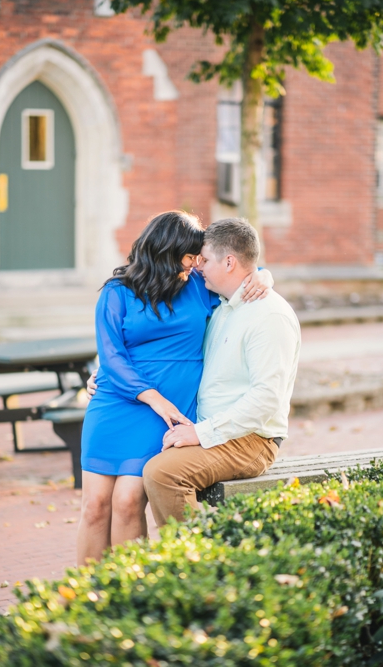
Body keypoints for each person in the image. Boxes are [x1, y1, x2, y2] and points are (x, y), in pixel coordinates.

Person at [77, 211, 272, 564]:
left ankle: (129, 598)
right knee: (94, 507)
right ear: (165, 250)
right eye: (189, 255)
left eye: (199, 257)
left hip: (171, 411)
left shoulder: (199, 287)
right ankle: (87, 600)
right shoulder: (115, 293)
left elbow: (239, 277)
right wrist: (154, 399)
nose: (195, 263)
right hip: (120, 401)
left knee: (126, 502)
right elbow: (112, 356)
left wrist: (264, 276)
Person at [142, 218, 300, 527]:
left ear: (229, 262)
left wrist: (200, 433)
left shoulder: (269, 316)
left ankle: (198, 565)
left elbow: (266, 398)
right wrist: (104, 373)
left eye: (204, 259)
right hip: (216, 429)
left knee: (162, 474)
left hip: (253, 439)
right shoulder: (222, 305)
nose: (198, 267)